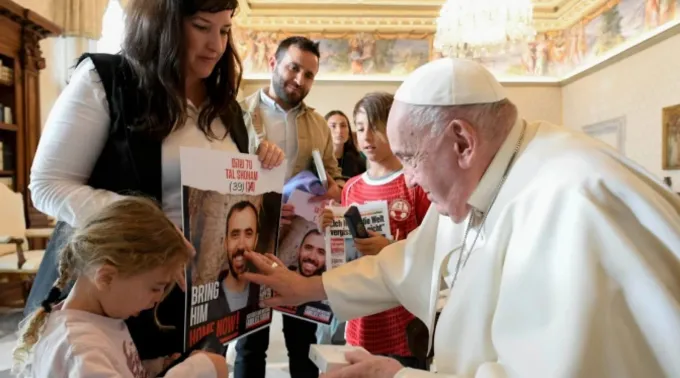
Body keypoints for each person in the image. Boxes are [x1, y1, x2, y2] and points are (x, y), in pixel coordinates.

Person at [242, 57, 680, 378]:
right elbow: (410, 263)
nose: (409, 177)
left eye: (411, 158)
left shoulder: (575, 202)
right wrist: (306, 288)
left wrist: (394, 377)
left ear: (462, 142)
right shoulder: (483, 179)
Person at [25, 0, 284, 361]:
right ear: (162, 25)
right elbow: (47, 184)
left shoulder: (226, 108)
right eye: (201, 27)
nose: (217, 45)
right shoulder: (109, 80)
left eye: (225, 30)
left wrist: (259, 166)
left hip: (197, 312)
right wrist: (146, 224)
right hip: (113, 300)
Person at [12, 197, 229, 378]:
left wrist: (155, 368)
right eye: (156, 287)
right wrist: (195, 370)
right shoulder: (80, 350)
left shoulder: (102, 320)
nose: (158, 299)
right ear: (106, 277)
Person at [236, 35, 342, 378]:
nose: (300, 79)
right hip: (252, 244)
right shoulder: (238, 116)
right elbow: (221, 182)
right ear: (273, 63)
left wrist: (332, 190)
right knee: (250, 343)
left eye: (309, 74)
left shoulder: (319, 125)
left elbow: (335, 180)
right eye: (293, 68)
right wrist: (262, 204)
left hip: (302, 253)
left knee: (302, 344)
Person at [316, 92, 431, 369]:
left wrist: (390, 249)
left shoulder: (415, 183)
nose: (366, 137)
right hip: (362, 318)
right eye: (359, 128)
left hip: (404, 319)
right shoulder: (353, 188)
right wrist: (329, 230)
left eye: (376, 128)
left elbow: (432, 250)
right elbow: (343, 257)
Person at [209, 201, 262, 318]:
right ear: (226, 242)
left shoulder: (263, 296)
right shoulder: (207, 302)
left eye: (248, 234)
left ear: (256, 240)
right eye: (235, 234)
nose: (241, 245)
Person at [325, 110, 366, 182]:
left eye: (343, 126)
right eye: (333, 126)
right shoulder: (318, 161)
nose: (339, 131)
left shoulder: (359, 161)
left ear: (349, 132)